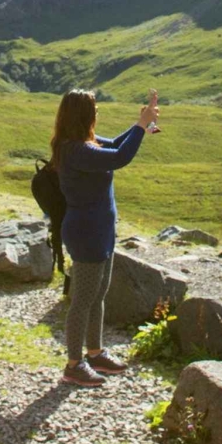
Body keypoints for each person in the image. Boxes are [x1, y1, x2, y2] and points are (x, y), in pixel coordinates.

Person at [53, 87, 159, 387]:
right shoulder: (75, 150)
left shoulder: (85, 143)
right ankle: (74, 364)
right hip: (87, 234)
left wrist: (141, 122)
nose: (97, 112)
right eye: (94, 109)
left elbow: (113, 145)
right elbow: (120, 157)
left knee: (98, 296)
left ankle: (95, 352)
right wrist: (142, 125)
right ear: (83, 115)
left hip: (100, 231)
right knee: (82, 301)